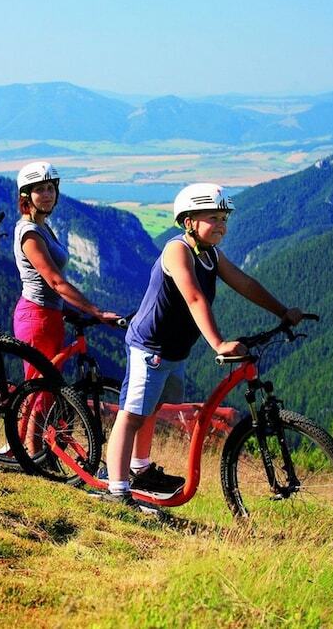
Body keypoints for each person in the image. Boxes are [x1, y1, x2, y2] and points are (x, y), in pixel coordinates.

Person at [102, 182, 305, 510]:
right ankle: (117, 490)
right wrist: (219, 343)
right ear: (189, 222)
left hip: (175, 350)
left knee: (153, 407)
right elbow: (194, 297)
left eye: (224, 218)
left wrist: (282, 311)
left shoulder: (211, 254)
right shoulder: (177, 250)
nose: (222, 225)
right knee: (133, 415)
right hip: (150, 347)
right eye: (213, 218)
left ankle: (140, 469)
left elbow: (245, 283)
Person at [12, 161, 121, 440]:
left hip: (49, 315)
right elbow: (55, 281)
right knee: (40, 393)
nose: (47, 194)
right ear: (26, 196)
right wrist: (95, 311)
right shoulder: (29, 233)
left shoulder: (43, 227)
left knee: (45, 389)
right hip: (37, 317)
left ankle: (31, 451)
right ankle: (31, 453)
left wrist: (68, 310)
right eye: (40, 190)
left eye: (51, 188)